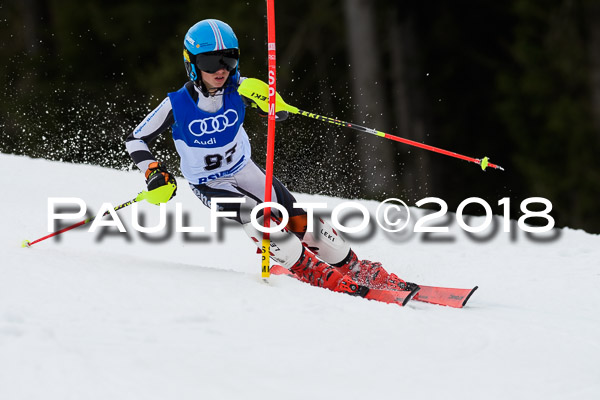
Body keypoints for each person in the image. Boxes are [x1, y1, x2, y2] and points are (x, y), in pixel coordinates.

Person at [125, 19, 417, 296]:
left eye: (229, 58)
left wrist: (275, 106)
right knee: (260, 216)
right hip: (208, 183)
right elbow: (136, 139)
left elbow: (276, 105)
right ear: (191, 63)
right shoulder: (177, 103)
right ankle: (307, 268)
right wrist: (153, 170)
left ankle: (352, 267)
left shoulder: (242, 87)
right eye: (210, 61)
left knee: (296, 217)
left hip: (243, 168)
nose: (221, 69)